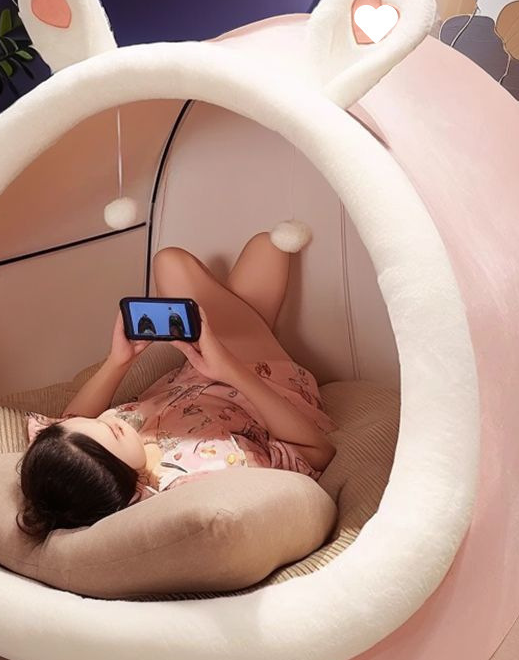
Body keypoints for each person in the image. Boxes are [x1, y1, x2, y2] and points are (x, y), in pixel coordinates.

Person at [17, 231, 338, 541]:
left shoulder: (63, 464)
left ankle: (254, 317)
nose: (104, 418)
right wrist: (230, 370)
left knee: (252, 253)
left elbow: (71, 419)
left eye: (95, 421)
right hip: (261, 378)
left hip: (199, 372)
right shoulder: (201, 470)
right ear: (125, 483)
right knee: (178, 262)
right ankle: (256, 316)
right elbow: (318, 452)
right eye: (112, 430)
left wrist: (119, 361)